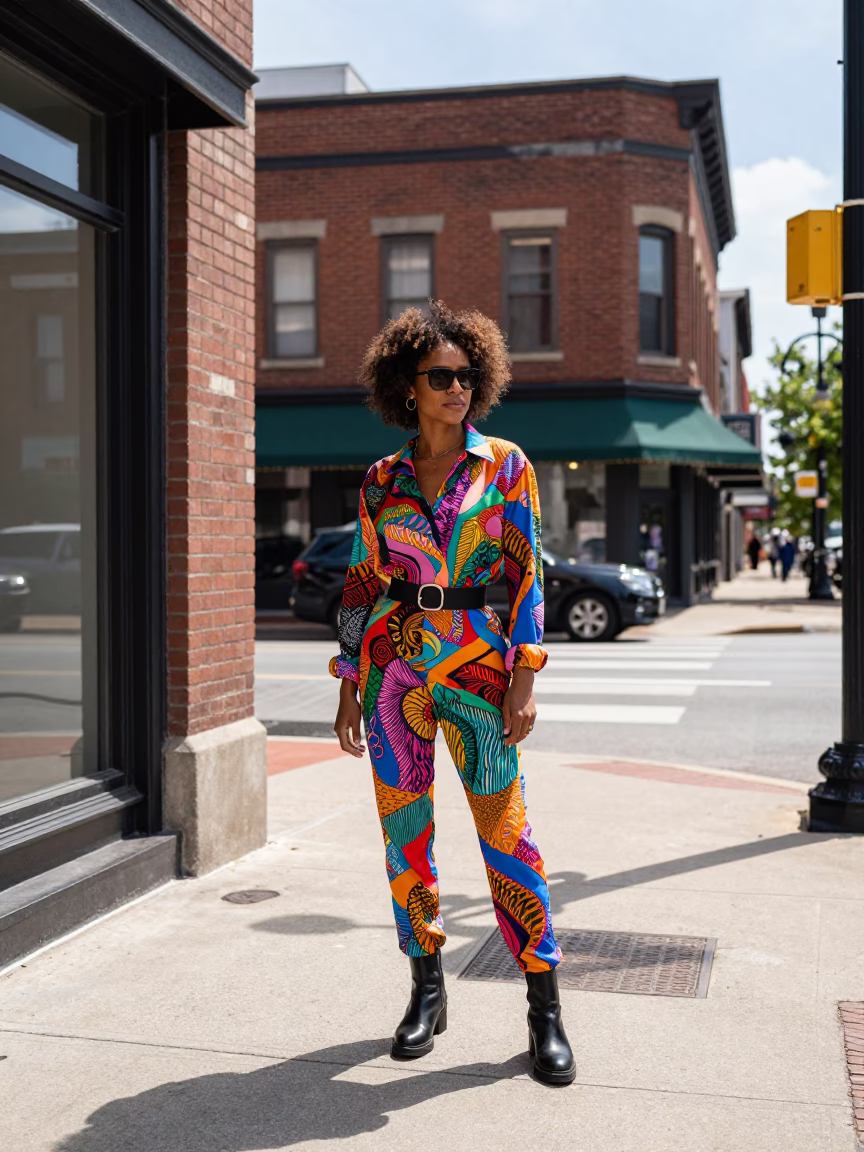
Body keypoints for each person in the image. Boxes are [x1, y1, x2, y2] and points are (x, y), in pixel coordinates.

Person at [330, 300, 575, 1086]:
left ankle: (544, 1007)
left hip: (479, 669)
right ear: (408, 385)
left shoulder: (505, 465)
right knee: (406, 837)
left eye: (468, 376)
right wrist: (347, 683)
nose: (458, 389)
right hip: (396, 673)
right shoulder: (380, 481)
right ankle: (426, 990)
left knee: (507, 835)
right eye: (442, 377)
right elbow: (365, 580)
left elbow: (529, 573)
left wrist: (525, 676)